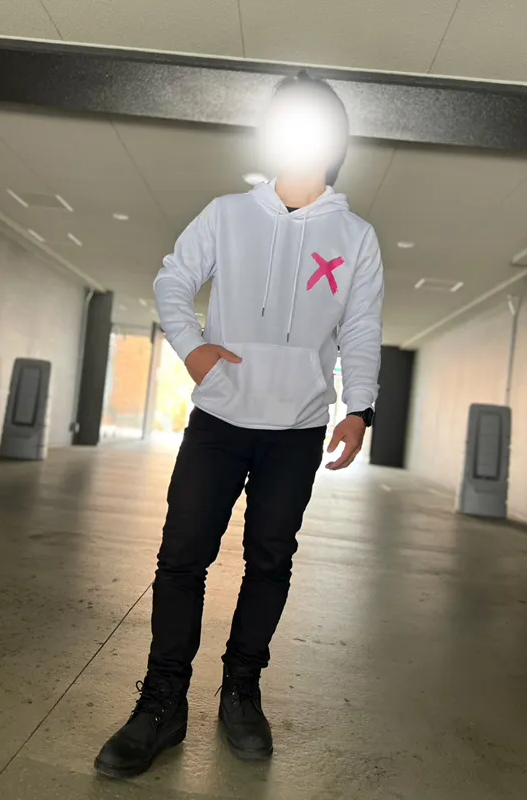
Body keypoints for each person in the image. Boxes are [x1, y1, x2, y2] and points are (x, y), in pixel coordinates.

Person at [95, 70, 384, 779]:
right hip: (219, 420)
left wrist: (360, 408)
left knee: (270, 560)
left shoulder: (355, 237)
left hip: (297, 429)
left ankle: (241, 691)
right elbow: (173, 279)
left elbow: (361, 329)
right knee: (181, 558)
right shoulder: (227, 214)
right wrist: (192, 348)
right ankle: (162, 703)